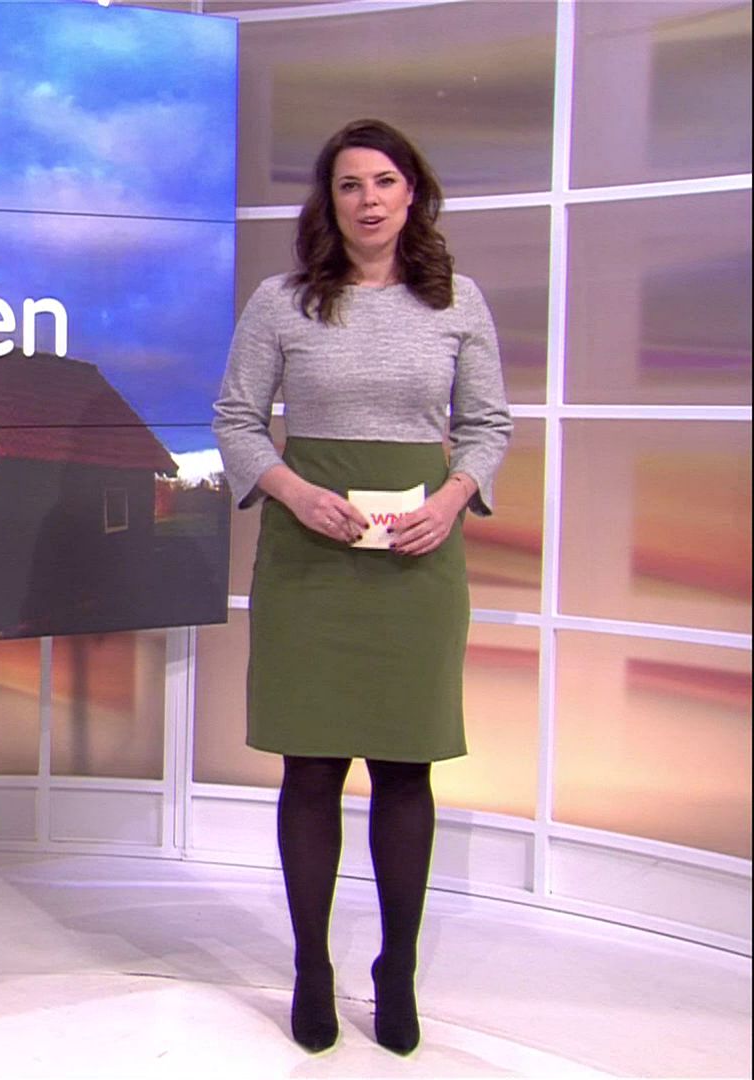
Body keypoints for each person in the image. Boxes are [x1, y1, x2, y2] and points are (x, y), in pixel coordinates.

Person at [211, 118, 512, 1056]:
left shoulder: (457, 301)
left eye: (384, 181)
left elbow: (488, 426)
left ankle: (396, 971)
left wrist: (453, 500)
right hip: (309, 559)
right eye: (349, 185)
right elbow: (235, 419)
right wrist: (295, 492)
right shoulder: (281, 302)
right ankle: (312, 968)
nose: (368, 200)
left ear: (412, 193)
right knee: (310, 767)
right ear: (329, 201)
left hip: (418, 561)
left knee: (404, 767)